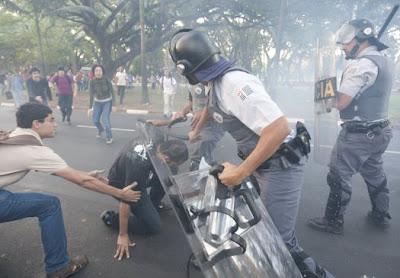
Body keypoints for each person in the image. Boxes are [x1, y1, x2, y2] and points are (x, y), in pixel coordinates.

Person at [169, 29, 334, 278]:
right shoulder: (216, 82)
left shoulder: (235, 85)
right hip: (263, 164)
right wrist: (197, 130)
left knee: (280, 241)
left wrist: (241, 171)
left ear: (186, 69)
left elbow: (278, 128)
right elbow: (210, 109)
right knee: (258, 226)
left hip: (281, 165)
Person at [0, 102, 141, 278]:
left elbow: (64, 172)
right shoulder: (33, 150)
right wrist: (120, 193)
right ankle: (58, 267)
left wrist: (84, 175)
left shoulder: (15, 135)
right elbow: (81, 181)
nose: (55, 124)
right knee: (50, 205)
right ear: (36, 123)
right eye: (51, 120)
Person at [308, 19, 393, 234]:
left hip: (358, 135)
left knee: (338, 175)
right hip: (381, 130)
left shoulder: (361, 65)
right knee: (375, 174)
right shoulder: (383, 60)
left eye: (346, 42)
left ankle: (333, 221)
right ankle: (380, 215)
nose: (343, 47)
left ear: (360, 40)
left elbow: (340, 102)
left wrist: (324, 86)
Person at [100, 136, 188, 260]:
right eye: (175, 162)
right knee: (154, 227)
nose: (176, 165)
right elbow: (127, 199)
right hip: (123, 186)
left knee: (169, 175)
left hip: (142, 176)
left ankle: (153, 204)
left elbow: (151, 122)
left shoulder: (157, 138)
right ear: (167, 158)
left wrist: (184, 128)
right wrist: (123, 234)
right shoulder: (138, 168)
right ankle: (111, 218)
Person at [88, 64, 117, 145]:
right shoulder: (92, 81)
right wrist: (90, 108)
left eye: (100, 70)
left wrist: (114, 105)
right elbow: (91, 95)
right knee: (95, 120)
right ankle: (100, 130)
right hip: (97, 102)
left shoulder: (106, 80)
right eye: (96, 71)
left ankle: (109, 137)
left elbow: (112, 92)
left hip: (107, 102)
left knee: (105, 120)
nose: (98, 72)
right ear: (94, 72)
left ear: (102, 72)